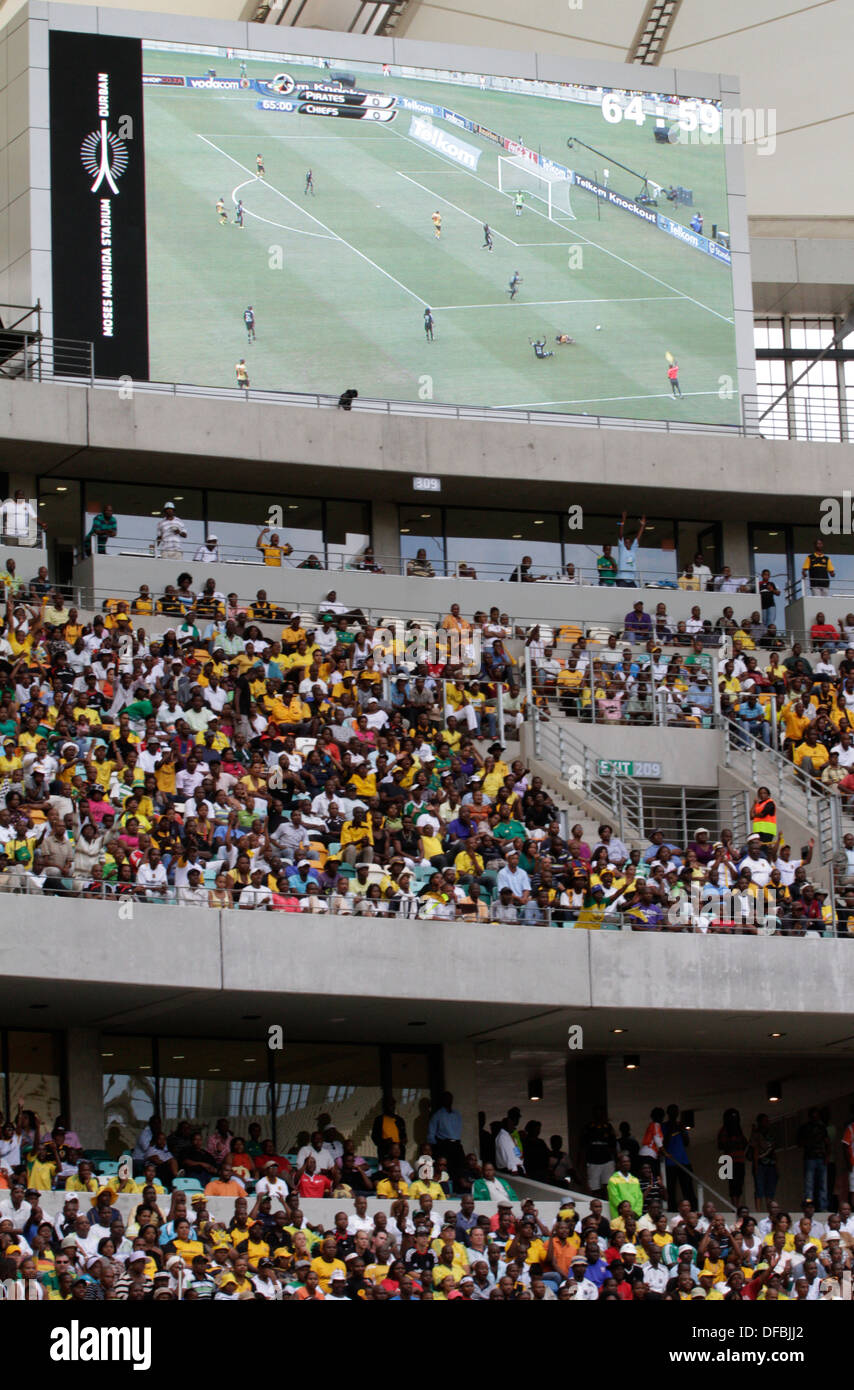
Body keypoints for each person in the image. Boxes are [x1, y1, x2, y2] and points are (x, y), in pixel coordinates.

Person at [426, 1092, 464, 1181]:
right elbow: (430, 1135)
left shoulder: (457, 1114)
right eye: (446, 1099)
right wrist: (439, 1145)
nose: (449, 1101)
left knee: (460, 1168)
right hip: (444, 1145)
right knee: (446, 1169)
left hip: (457, 1145)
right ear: (442, 1100)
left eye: (450, 1099)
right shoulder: (437, 1115)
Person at [798, 1107, 829, 1210]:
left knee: (822, 1184)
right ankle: (809, 1205)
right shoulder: (805, 1128)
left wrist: (827, 1156)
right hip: (810, 1157)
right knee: (809, 1184)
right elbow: (799, 1143)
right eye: (813, 1115)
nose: (815, 1117)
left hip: (821, 1157)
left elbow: (827, 1142)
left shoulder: (822, 1127)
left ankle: (823, 1206)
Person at [616, 511, 646, 586]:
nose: (627, 543)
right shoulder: (622, 549)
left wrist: (642, 525)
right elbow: (620, 535)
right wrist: (623, 521)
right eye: (625, 542)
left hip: (631, 579)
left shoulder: (633, 550)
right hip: (622, 579)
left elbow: (638, 537)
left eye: (629, 542)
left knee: (636, 595)